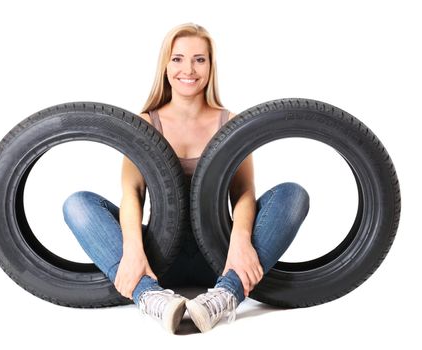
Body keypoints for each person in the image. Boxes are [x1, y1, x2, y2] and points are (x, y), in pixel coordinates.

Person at [62, 23, 310, 334]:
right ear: (165, 66)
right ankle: (150, 295)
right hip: (159, 256)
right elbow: (132, 194)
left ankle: (224, 295)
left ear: (210, 66)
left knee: (293, 194)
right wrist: (134, 251)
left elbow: (244, 194)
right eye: (178, 59)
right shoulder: (143, 124)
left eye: (199, 59)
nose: (188, 69)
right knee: (78, 204)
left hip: (221, 255)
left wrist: (240, 241)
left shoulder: (231, 123)